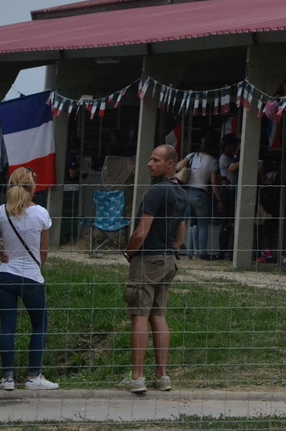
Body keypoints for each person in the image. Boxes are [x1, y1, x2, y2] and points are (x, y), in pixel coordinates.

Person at [0, 167, 58, 391]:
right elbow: (44, 252)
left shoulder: (3, 210)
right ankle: (33, 376)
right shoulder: (41, 213)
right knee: (39, 325)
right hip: (30, 276)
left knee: (8, 327)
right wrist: (37, 267)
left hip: (5, 273)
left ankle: (8, 379)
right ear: (32, 187)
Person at [118, 144, 187, 393]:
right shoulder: (181, 193)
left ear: (170, 164)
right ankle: (162, 375)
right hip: (169, 258)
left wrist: (129, 251)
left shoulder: (156, 192)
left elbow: (141, 231)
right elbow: (181, 234)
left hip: (148, 258)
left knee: (139, 314)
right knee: (158, 315)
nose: (149, 163)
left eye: (155, 160)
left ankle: (137, 376)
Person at [177, 133, 221, 259]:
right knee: (202, 224)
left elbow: (178, 166)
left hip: (187, 192)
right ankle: (201, 252)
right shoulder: (212, 161)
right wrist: (219, 199)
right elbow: (213, 182)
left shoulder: (192, 156)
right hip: (200, 193)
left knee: (186, 222)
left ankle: (186, 250)